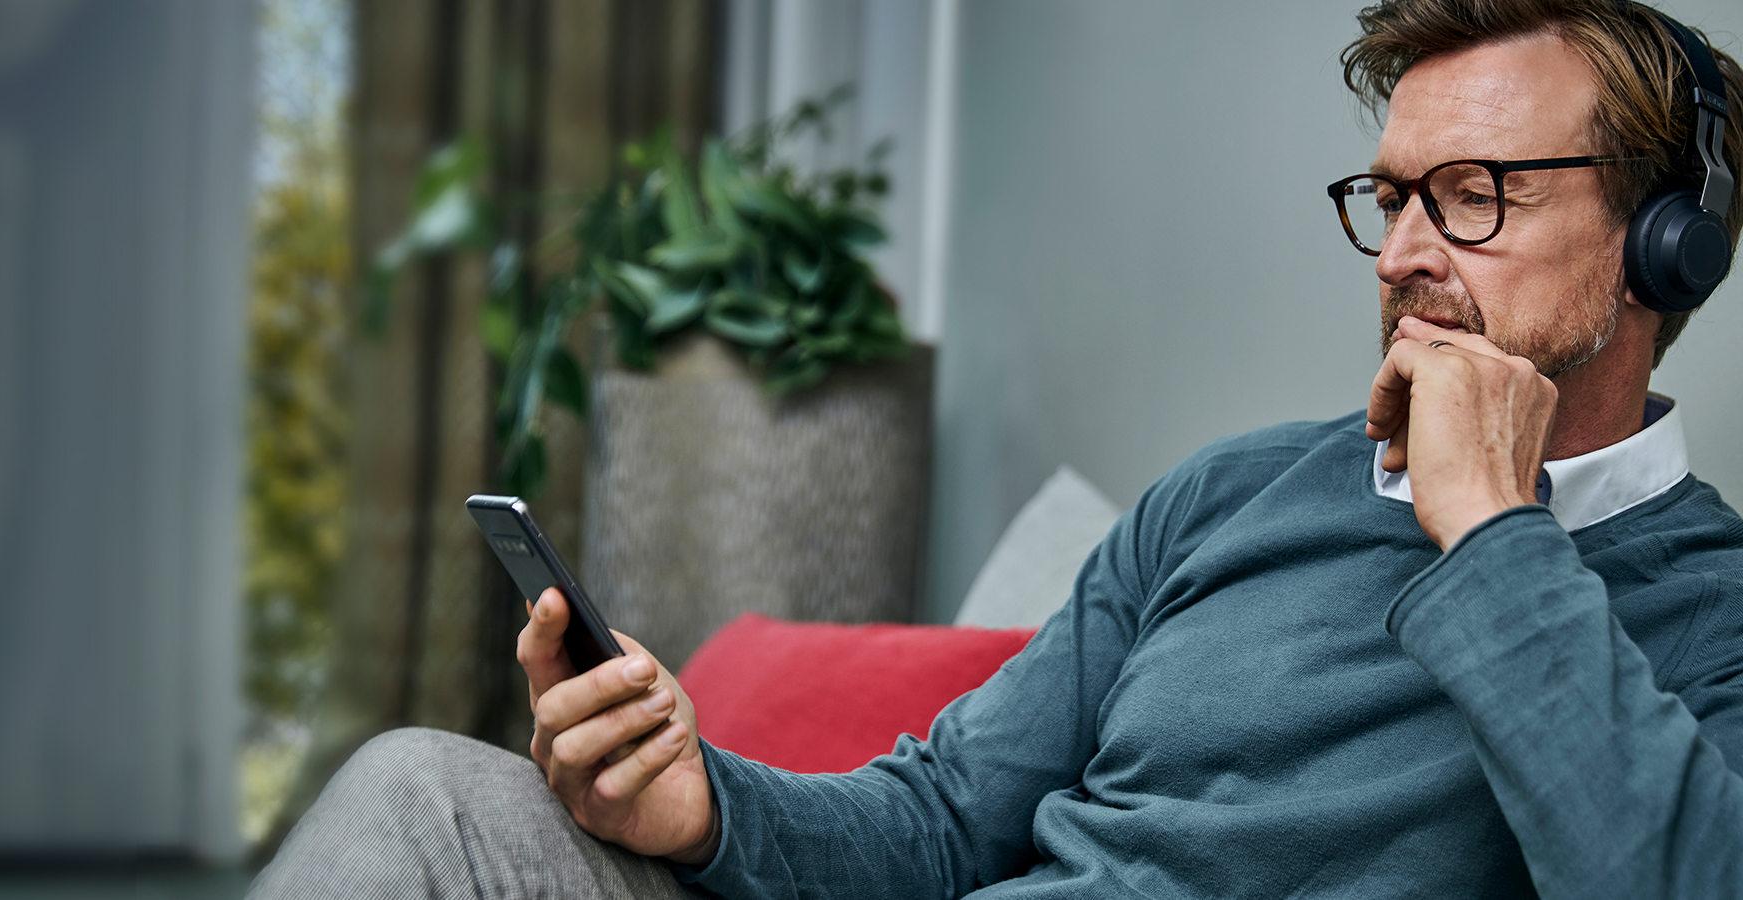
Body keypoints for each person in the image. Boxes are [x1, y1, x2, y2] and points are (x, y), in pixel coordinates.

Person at [249, 0, 1743, 896]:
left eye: (1476, 195)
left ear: (1661, 246)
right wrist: (706, 808)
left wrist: (1491, 533)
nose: (1405, 254)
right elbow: (945, 815)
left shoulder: (1714, 608)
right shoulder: (1232, 494)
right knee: (418, 794)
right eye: (1393, 197)